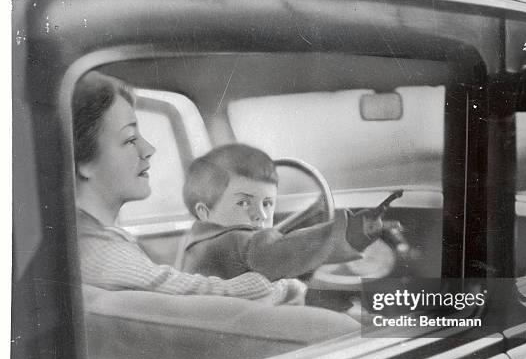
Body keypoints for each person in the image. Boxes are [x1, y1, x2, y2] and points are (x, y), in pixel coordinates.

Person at [73, 71, 304, 305]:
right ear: (83, 161)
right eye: (130, 139)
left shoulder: (96, 242)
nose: (148, 148)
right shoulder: (99, 252)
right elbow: (202, 294)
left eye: (267, 203)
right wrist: (282, 286)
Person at [180, 143, 383, 280]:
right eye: (243, 203)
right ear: (204, 213)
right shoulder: (239, 242)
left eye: (267, 203)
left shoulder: (195, 244)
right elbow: (285, 250)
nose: (261, 214)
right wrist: (351, 230)